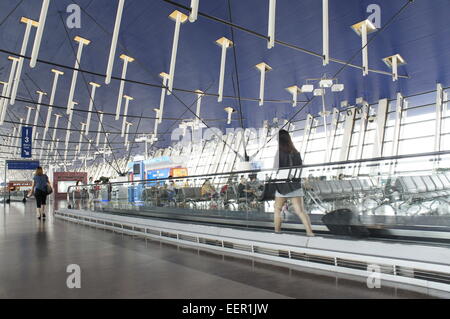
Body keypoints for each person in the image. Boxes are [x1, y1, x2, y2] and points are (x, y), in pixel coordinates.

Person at [273, 130, 314, 236]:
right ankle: (309, 232)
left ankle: (277, 232)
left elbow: (275, 169)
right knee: (300, 211)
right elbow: (301, 169)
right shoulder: (296, 152)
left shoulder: (279, 153)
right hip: (295, 185)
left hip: (283, 186)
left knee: (277, 209)